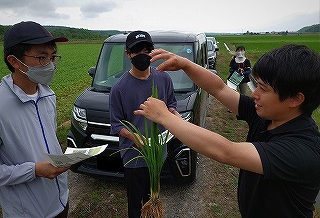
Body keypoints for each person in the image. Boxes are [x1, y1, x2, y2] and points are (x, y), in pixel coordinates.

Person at [134, 44, 320, 217]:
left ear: (295, 99)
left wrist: (164, 117)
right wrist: (184, 64)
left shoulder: (302, 150)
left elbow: (226, 151)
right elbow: (219, 88)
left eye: (263, 88)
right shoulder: (269, 116)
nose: (254, 94)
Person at [0, 21, 70, 217]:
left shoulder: (49, 95)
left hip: (61, 200)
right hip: (28, 212)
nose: (50, 64)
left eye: (53, 57)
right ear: (14, 61)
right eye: (41, 57)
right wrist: (34, 170)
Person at [109, 30, 178, 218]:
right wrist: (134, 136)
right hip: (134, 156)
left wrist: (175, 117)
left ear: (153, 53)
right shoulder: (119, 89)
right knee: (135, 201)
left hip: (158, 151)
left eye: (147, 51)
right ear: (128, 55)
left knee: (153, 195)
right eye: (136, 52)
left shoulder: (163, 78)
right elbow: (116, 125)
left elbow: (171, 105)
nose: (142, 56)